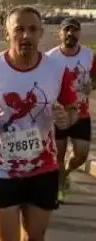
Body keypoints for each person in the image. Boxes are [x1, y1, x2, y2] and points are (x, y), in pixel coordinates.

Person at [0, 6, 78, 241]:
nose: (26, 35)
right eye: (19, 29)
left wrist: (67, 118)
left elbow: (72, 108)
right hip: (1, 168)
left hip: (43, 168)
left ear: (41, 33)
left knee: (34, 237)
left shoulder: (56, 69)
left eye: (33, 29)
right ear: (7, 33)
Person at [46, 17, 96, 203]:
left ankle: (66, 173)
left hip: (81, 113)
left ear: (79, 33)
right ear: (60, 33)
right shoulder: (50, 58)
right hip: (59, 114)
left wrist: (92, 85)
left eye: (74, 30)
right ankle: (59, 188)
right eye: (66, 30)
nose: (70, 34)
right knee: (58, 155)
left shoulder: (89, 55)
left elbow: (95, 78)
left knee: (81, 155)